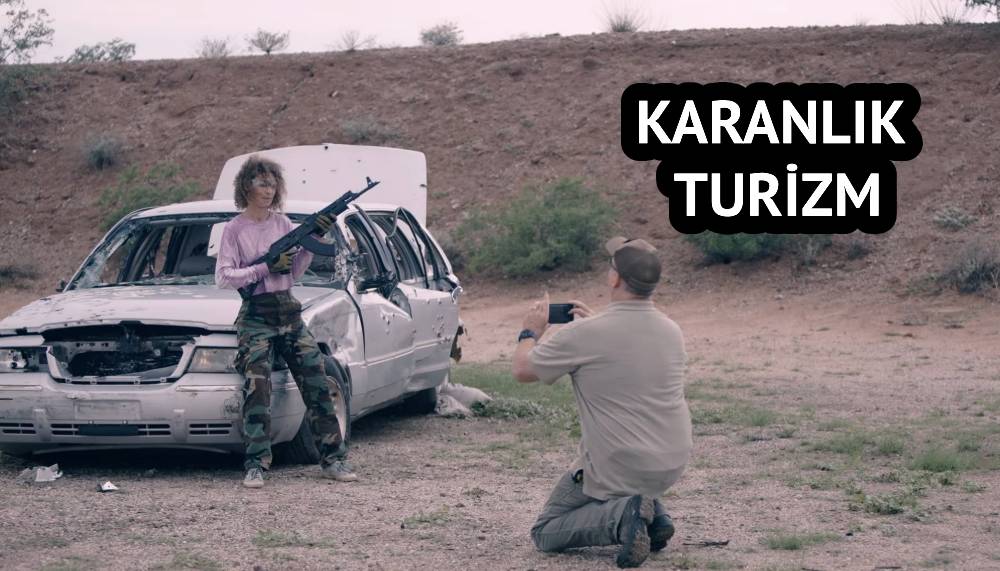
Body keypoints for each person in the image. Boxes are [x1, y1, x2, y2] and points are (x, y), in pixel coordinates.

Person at [512, 237, 692, 568]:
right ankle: (654, 513)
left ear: (615, 278)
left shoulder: (586, 333)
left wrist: (530, 332)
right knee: (633, 446)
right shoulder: (671, 330)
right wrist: (593, 324)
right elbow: (624, 354)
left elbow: (523, 370)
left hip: (621, 464)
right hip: (671, 461)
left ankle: (624, 515)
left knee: (546, 531)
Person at [215, 155, 357, 488]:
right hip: (256, 314)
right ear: (246, 187)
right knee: (257, 388)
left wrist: (312, 241)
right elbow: (223, 277)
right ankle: (256, 464)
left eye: (273, 184)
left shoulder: (282, 224)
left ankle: (334, 459)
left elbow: (293, 273)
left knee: (317, 382)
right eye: (262, 183)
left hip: (288, 310)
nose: (269, 190)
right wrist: (264, 267)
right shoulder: (234, 230)